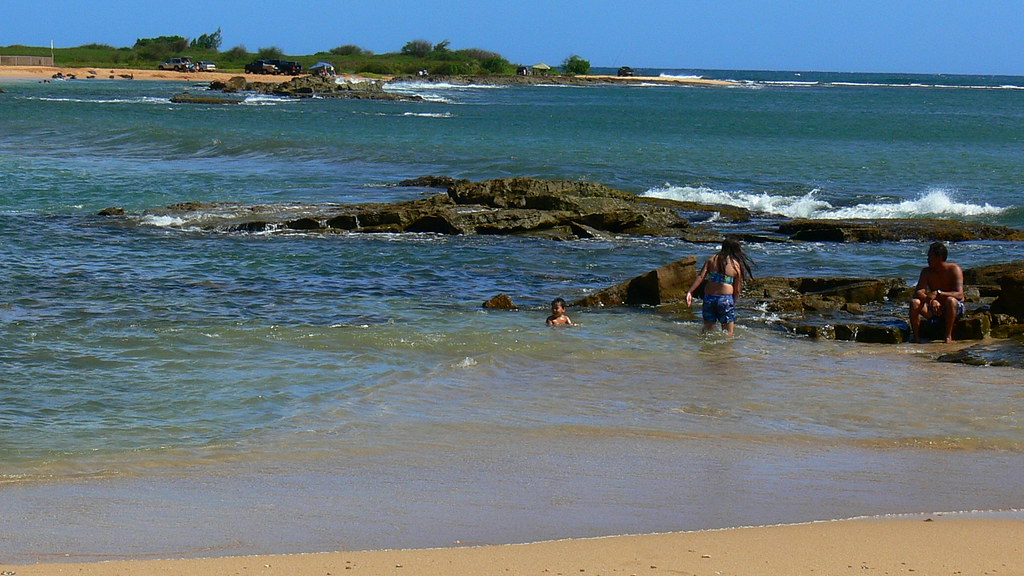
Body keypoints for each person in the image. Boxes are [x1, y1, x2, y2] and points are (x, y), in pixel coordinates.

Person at [686, 237, 755, 336]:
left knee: (707, 327)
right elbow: (737, 289)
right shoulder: (736, 265)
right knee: (728, 332)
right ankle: (725, 351)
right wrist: (734, 302)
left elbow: (700, 276)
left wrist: (690, 291)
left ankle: (704, 350)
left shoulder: (712, 259)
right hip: (725, 299)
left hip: (709, 298)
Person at [909, 242, 965, 343]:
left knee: (951, 300)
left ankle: (948, 336)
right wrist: (930, 300)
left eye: (930, 256)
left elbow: (960, 295)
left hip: (952, 307)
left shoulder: (954, 269)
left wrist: (939, 293)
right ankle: (916, 337)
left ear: (939, 257)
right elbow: (918, 292)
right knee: (914, 302)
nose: (927, 259)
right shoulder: (926, 272)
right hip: (934, 308)